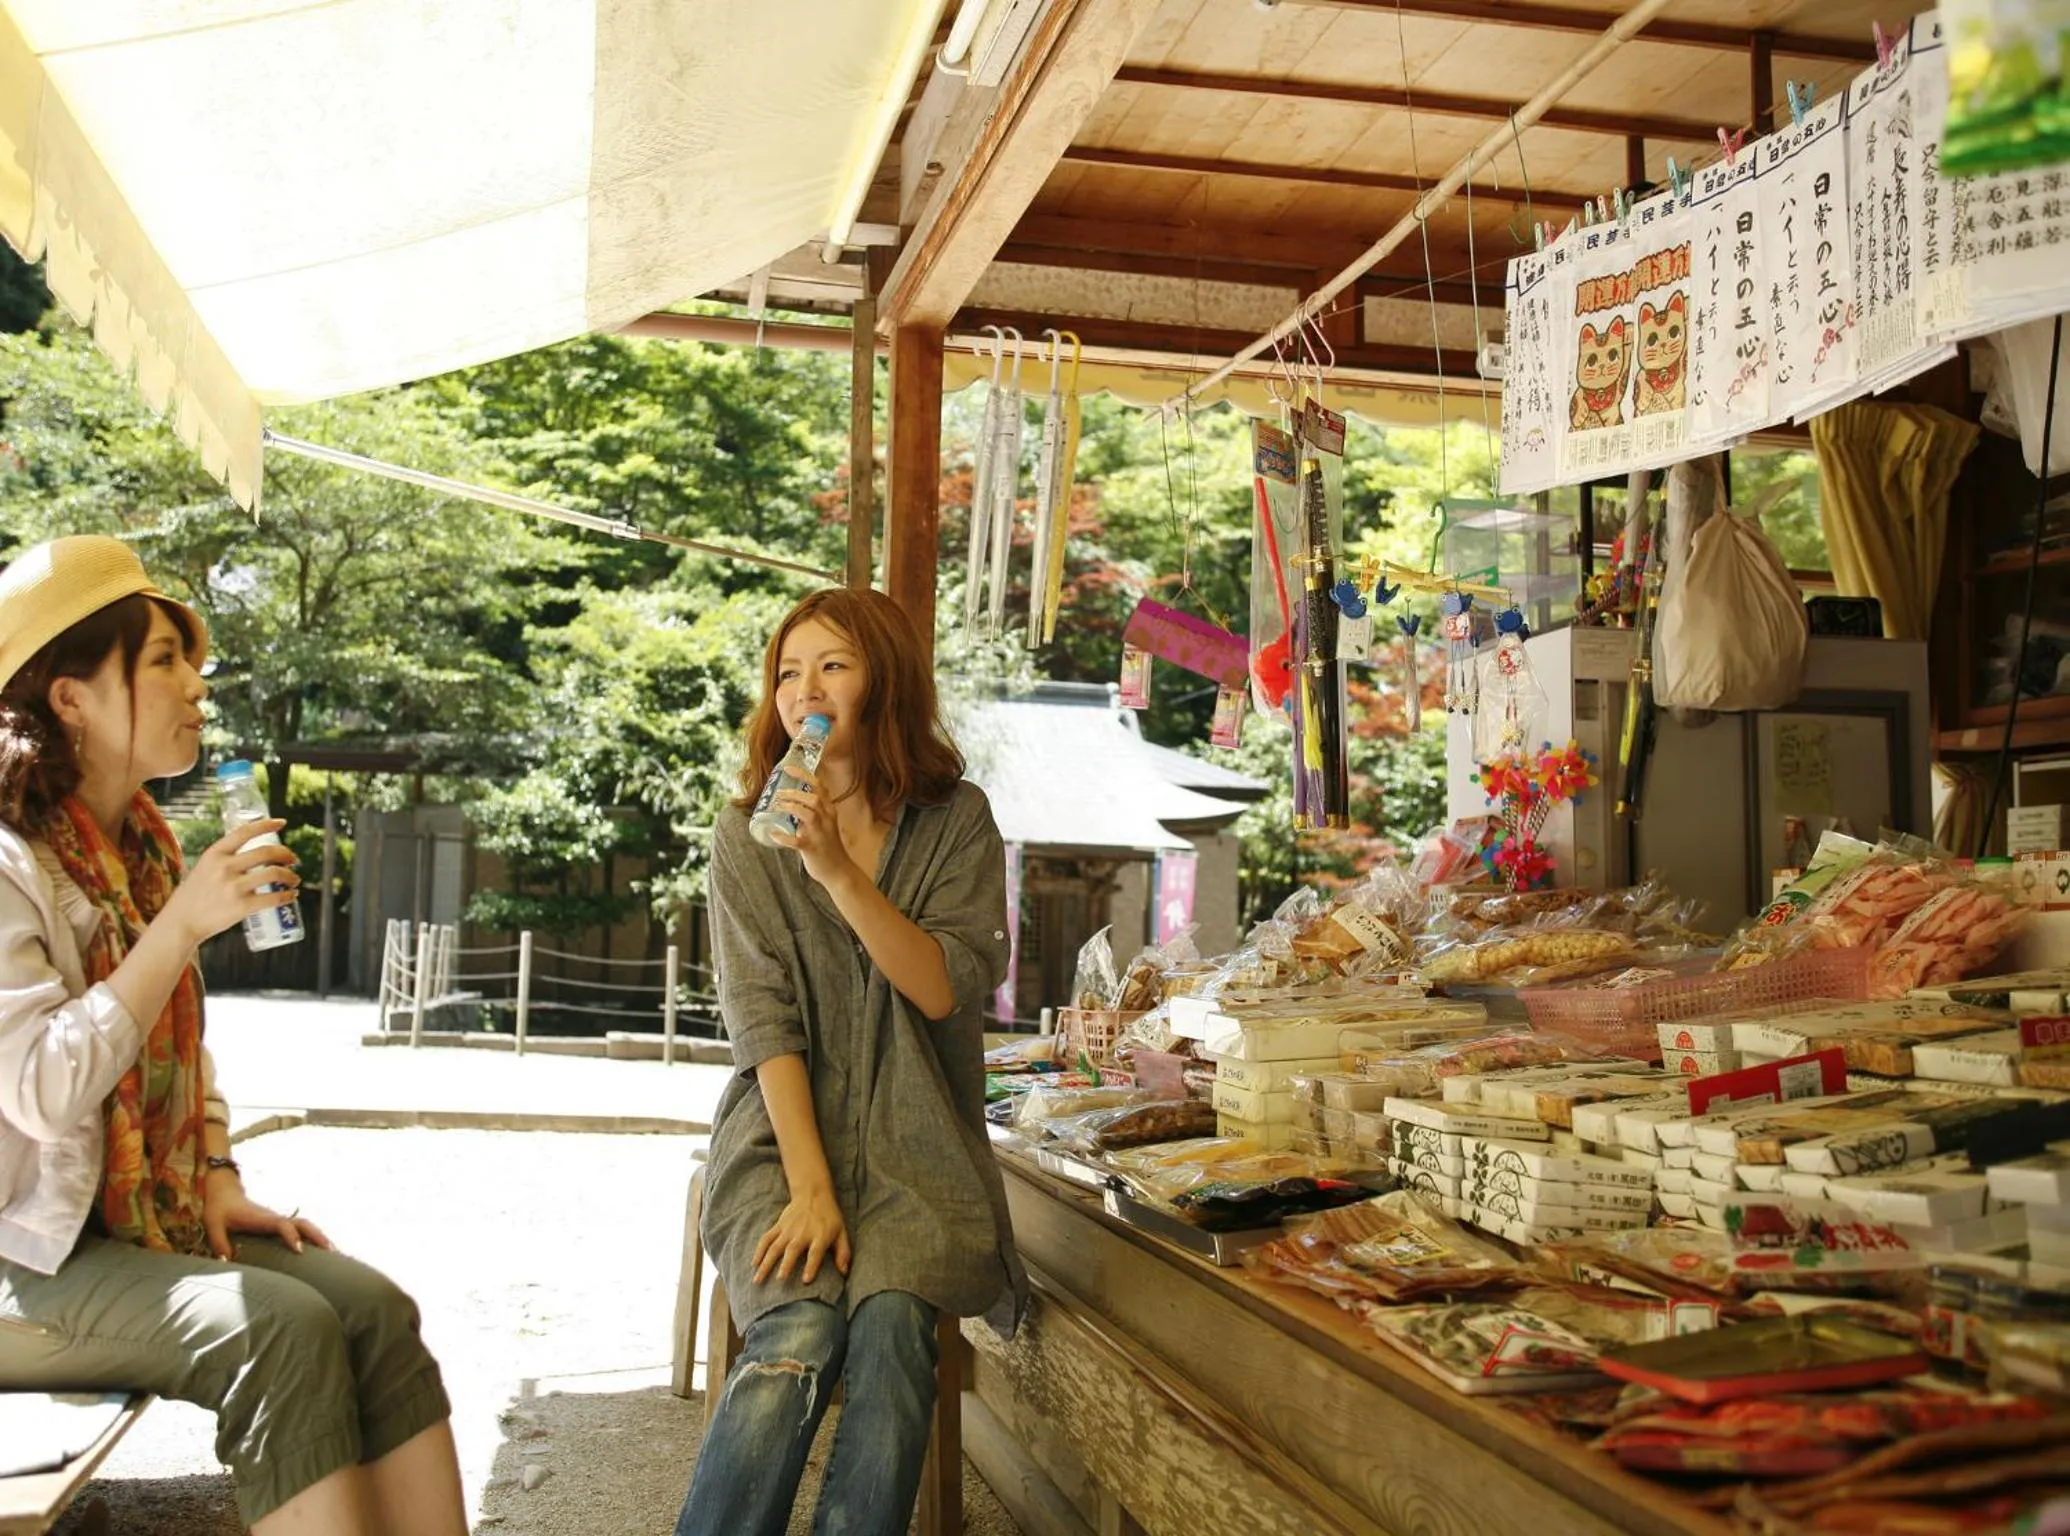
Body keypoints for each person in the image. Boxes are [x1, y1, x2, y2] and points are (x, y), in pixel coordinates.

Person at [0, 536, 465, 1535]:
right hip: (22, 1262)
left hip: (136, 1224)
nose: (195, 685)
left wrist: (215, 1172)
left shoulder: (145, 850)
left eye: (190, 661)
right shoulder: (10, 862)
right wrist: (178, 931)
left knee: (372, 1311)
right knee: (278, 1329)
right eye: (164, 659)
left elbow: (183, 1053)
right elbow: (40, 1087)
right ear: (72, 696)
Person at [676, 587, 1023, 1536]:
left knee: (894, 1328)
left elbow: (944, 987)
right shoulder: (746, 832)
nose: (804, 691)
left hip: (920, 1148)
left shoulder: (956, 821)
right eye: (788, 672)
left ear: (884, 683)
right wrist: (810, 1187)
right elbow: (763, 1022)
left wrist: (835, 869)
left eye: (833, 665)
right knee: (797, 1325)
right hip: (781, 1145)